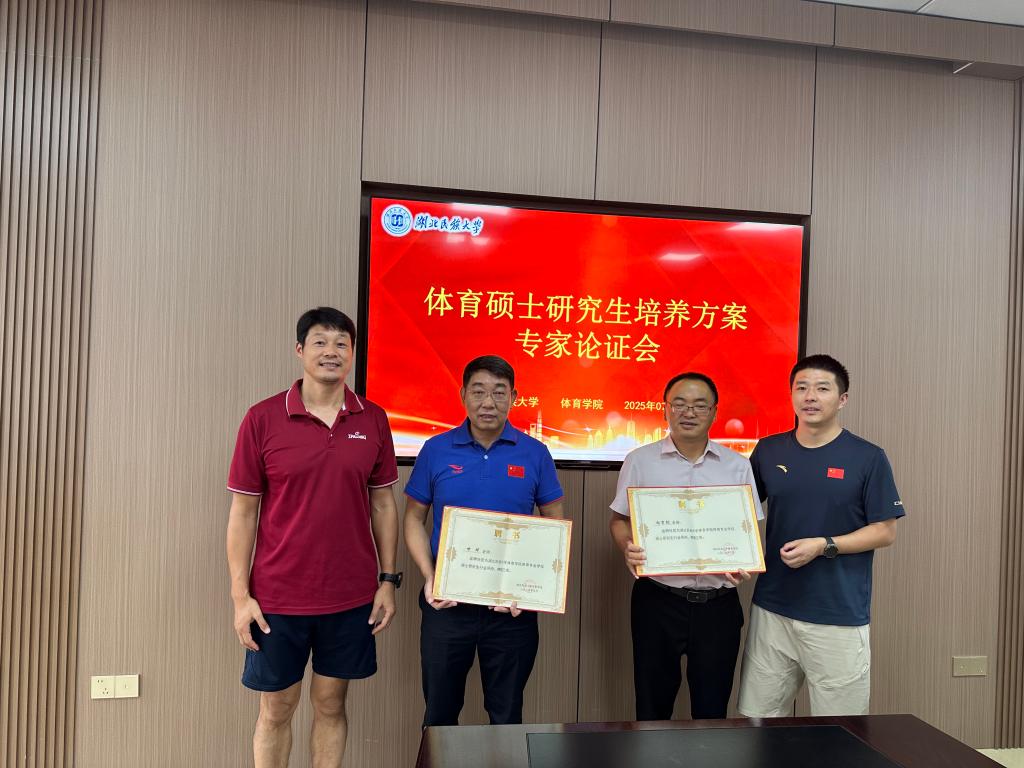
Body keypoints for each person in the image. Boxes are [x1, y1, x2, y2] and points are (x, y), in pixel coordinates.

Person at [226, 307, 401, 768]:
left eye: (342, 343)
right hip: (278, 597)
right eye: (320, 342)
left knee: (331, 705)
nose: (331, 351)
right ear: (300, 350)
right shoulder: (263, 418)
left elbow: (383, 504)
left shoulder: (373, 418)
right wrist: (240, 596)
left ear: (353, 354)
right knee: (276, 709)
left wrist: (388, 580)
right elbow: (243, 513)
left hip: (349, 595)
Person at [737, 354, 904, 717]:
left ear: (842, 399)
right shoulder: (769, 450)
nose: (810, 396)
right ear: (791, 395)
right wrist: (730, 556)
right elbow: (739, 513)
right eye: (802, 388)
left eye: (822, 388)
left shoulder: (868, 457)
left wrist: (824, 545)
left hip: (837, 612)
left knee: (840, 727)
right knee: (759, 719)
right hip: (773, 607)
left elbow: (885, 531)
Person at [403, 355, 564, 727]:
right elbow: (413, 519)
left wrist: (532, 587)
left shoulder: (535, 453)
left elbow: (554, 524)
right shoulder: (436, 449)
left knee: (506, 715)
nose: (488, 402)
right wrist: (429, 575)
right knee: (440, 714)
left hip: (511, 610)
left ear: (514, 397)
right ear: (463, 395)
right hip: (447, 604)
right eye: (478, 391)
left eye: (499, 392)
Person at [609, 372, 762, 721]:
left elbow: (748, 532)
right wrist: (627, 546)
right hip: (657, 600)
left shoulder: (738, 466)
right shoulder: (640, 460)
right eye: (679, 403)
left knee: (712, 711)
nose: (688, 412)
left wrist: (744, 563)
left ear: (714, 412)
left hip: (718, 606)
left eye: (699, 405)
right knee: (652, 706)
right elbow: (619, 521)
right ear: (665, 409)